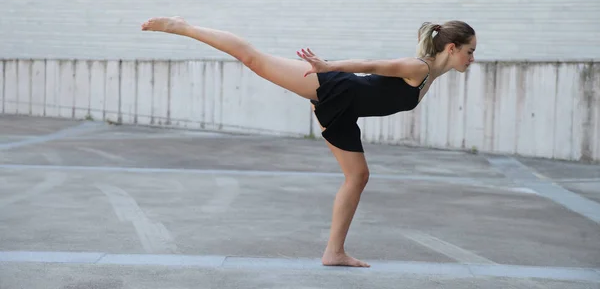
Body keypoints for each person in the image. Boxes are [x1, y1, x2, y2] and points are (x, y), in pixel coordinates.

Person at [141, 17, 476, 268]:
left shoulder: (430, 76)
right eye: (470, 52)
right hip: (332, 87)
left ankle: (334, 252)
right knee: (254, 59)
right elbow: (373, 65)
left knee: (358, 177)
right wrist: (329, 66)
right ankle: (183, 27)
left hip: (345, 114)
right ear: (452, 48)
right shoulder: (418, 67)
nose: (471, 58)